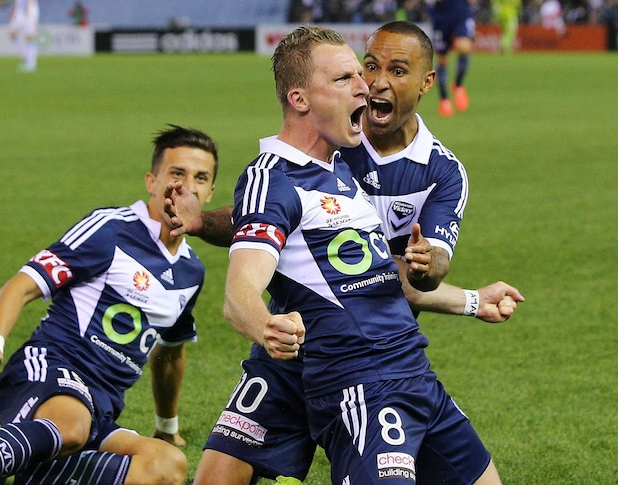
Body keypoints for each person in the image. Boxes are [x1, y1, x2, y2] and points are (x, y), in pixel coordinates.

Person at [166, 21, 522, 485]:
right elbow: (243, 284)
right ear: (300, 99)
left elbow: (382, 282)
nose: (368, 86)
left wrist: (473, 301)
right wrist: (266, 326)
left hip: (407, 369)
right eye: (353, 75)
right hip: (343, 371)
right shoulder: (281, 175)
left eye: (374, 72)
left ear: (426, 83)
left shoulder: (343, 171)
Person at [0, 125, 219, 485]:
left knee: (168, 464)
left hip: (101, 408)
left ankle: (32, 473)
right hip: (49, 369)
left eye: (200, 177)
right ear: (151, 181)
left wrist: (166, 426)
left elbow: (171, 353)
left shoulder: (192, 271)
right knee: (71, 426)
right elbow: (24, 284)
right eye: (176, 173)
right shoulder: (111, 230)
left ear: (209, 193)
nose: (186, 186)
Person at [427, 0, 476, 117]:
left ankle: (458, 85)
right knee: (442, 59)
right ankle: (444, 98)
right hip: (441, 16)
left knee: (464, 47)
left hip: (461, 10)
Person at [8, 0, 40, 72]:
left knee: (29, 37)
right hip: (19, 11)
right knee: (12, 34)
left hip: (30, 11)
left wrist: (27, 8)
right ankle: (26, 57)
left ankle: (31, 63)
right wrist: (13, 11)